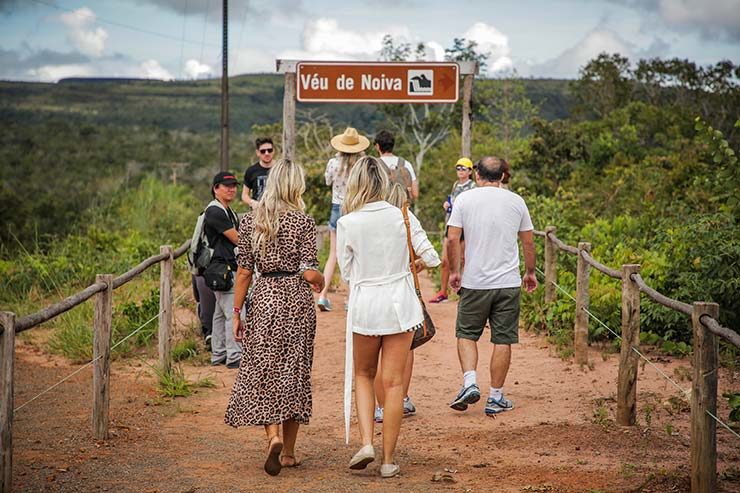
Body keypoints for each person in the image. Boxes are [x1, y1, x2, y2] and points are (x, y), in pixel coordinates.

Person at [338, 157, 440, 478]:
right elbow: (432, 257)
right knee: (394, 384)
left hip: (366, 304)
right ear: (385, 181)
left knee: (364, 376)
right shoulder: (403, 216)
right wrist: (409, 268)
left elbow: (345, 272)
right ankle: (387, 460)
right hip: (400, 305)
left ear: (355, 183)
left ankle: (367, 442)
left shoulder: (348, 223)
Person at [225, 159, 324, 477]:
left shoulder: (250, 219)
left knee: (264, 372)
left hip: (265, 298)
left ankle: (273, 437)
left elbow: (243, 272)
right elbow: (310, 271)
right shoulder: (304, 221)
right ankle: (290, 453)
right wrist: (319, 279)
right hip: (296, 301)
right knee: (295, 372)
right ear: (295, 185)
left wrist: (237, 313)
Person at [447, 156, 537, 416]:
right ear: (503, 176)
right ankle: (495, 396)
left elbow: (453, 239)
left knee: (466, 334)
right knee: (503, 338)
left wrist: (455, 271)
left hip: (475, 282)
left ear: (477, 175)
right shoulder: (516, 201)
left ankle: (470, 382)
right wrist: (530, 272)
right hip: (508, 282)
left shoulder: (465, 200)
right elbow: (528, 243)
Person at [373, 182, 421, 424]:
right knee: (405, 349)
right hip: (402, 290)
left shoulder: (371, 219)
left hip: (373, 292)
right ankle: (401, 398)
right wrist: (417, 265)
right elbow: (429, 256)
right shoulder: (405, 218)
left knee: (376, 354)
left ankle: (380, 406)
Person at [316, 127, 369, 312]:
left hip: (336, 207)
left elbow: (327, 181)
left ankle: (323, 295)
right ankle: (349, 298)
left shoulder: (333, 162)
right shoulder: (361, 162)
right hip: (355, 207)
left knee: (334, 254)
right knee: (354, 255)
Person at [204, 171, 242, 369]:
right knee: (233, 312)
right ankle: (235, 355)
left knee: (219, 313)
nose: (231, 189)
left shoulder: (226, 210)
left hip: (219, 268)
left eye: (234, 185)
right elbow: (236, 238)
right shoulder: (216, 211)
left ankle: (218, 354)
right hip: (223, 268)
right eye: (226, 185)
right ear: (215, 189)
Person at [429, 157, 477, 304]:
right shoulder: (456, 185)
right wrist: (447, 205)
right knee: (445, 260)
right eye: (458, 168)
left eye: (463, 168)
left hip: (465, 227)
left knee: (462, 259)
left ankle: (463, 293)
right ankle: (443, 292)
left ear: (470, 171)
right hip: (451, 224)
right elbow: (452, 202)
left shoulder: (473, 186)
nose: (460, 171)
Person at [374, 129, 418, 203]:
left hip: (382, 210)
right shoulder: (406, 164)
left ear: (378, 146)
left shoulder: (374, 165)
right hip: (403, 210)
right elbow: (415, 193)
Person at [242, 137, 275, 208]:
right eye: (263, 151)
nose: (267, 153)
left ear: (273, 151)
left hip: (278, 212)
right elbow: (244, 195)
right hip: (257, 212)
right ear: (257, 153)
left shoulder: (281, 169)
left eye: (270, 150)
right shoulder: (251, 171)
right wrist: (253, 203)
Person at [191, 274, 215, 349]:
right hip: (222, 316)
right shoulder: (221, 268)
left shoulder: (196, 272)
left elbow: (197, 297)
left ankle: (208, 332)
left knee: (200, 303)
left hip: (206, 319)